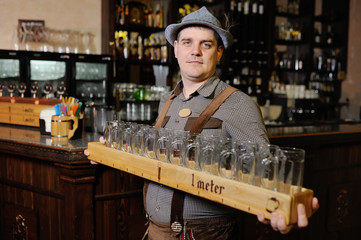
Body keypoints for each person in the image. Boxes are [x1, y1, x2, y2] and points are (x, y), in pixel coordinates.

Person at [85, 6, 318, 240]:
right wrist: (112, 149)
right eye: (187, 42)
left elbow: (266, 170)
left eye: (205, 44)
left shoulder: (238, 103)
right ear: (175, 49)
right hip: (154, 230)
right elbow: (155, 153)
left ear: (218, 53)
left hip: (202, 235)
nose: (195, 51)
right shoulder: (169, 99)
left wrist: (278, 209)